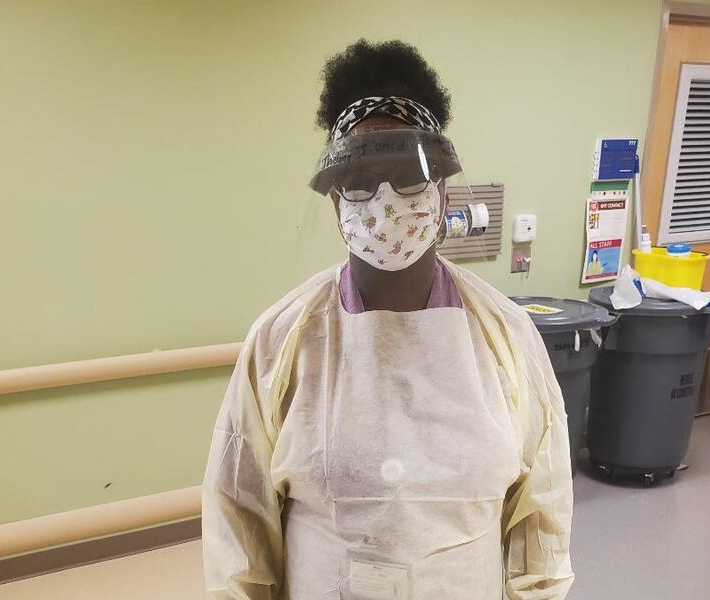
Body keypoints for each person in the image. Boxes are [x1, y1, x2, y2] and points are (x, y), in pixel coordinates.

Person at [202, 39, 574, 600]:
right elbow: (239, 526)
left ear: (442, 187)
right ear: (335, 202)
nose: (384, 200)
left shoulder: (506, 338)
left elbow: (541, 523)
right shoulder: (283, 341)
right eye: (360, 180)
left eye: (407, 175)